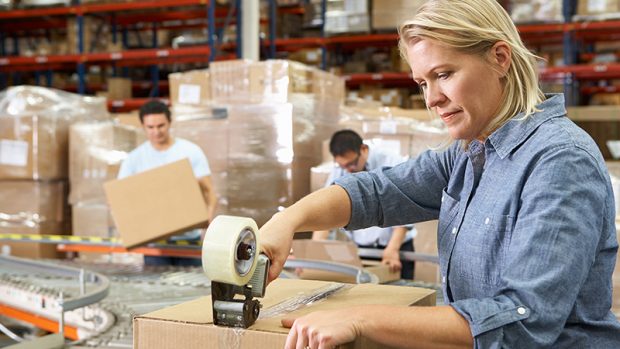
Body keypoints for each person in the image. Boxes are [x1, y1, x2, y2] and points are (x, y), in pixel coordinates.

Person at [259, 0, 620, 348]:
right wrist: (290, 220)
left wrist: (360, 319)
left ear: (500, 58)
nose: (431, 99)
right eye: (422, 83)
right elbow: (377, 191)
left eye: (443, 74)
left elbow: (523, 320)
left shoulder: (559, 160)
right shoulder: (469, 153)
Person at [118, 99, 217, 267]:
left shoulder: (190, 152)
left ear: (170, 123)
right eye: (150, 127)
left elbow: (209, 191)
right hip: (154, 241)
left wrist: (209, 217)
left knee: (191, 289)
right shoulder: (134, 159)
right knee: (159, 289)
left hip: (188, 240)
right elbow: (121, 198)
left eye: (161, 126)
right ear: (143, 126)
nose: (156, 132)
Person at [312, 129, 415, 279]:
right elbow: (327, 210)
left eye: (352, 163)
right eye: (344, 166)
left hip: (395, 247)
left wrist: (393, 248)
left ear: (364, 149)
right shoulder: (341, 171)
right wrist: (314, 252)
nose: (349, 169)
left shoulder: (391, 162)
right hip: (362, 249)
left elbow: (405, 208)